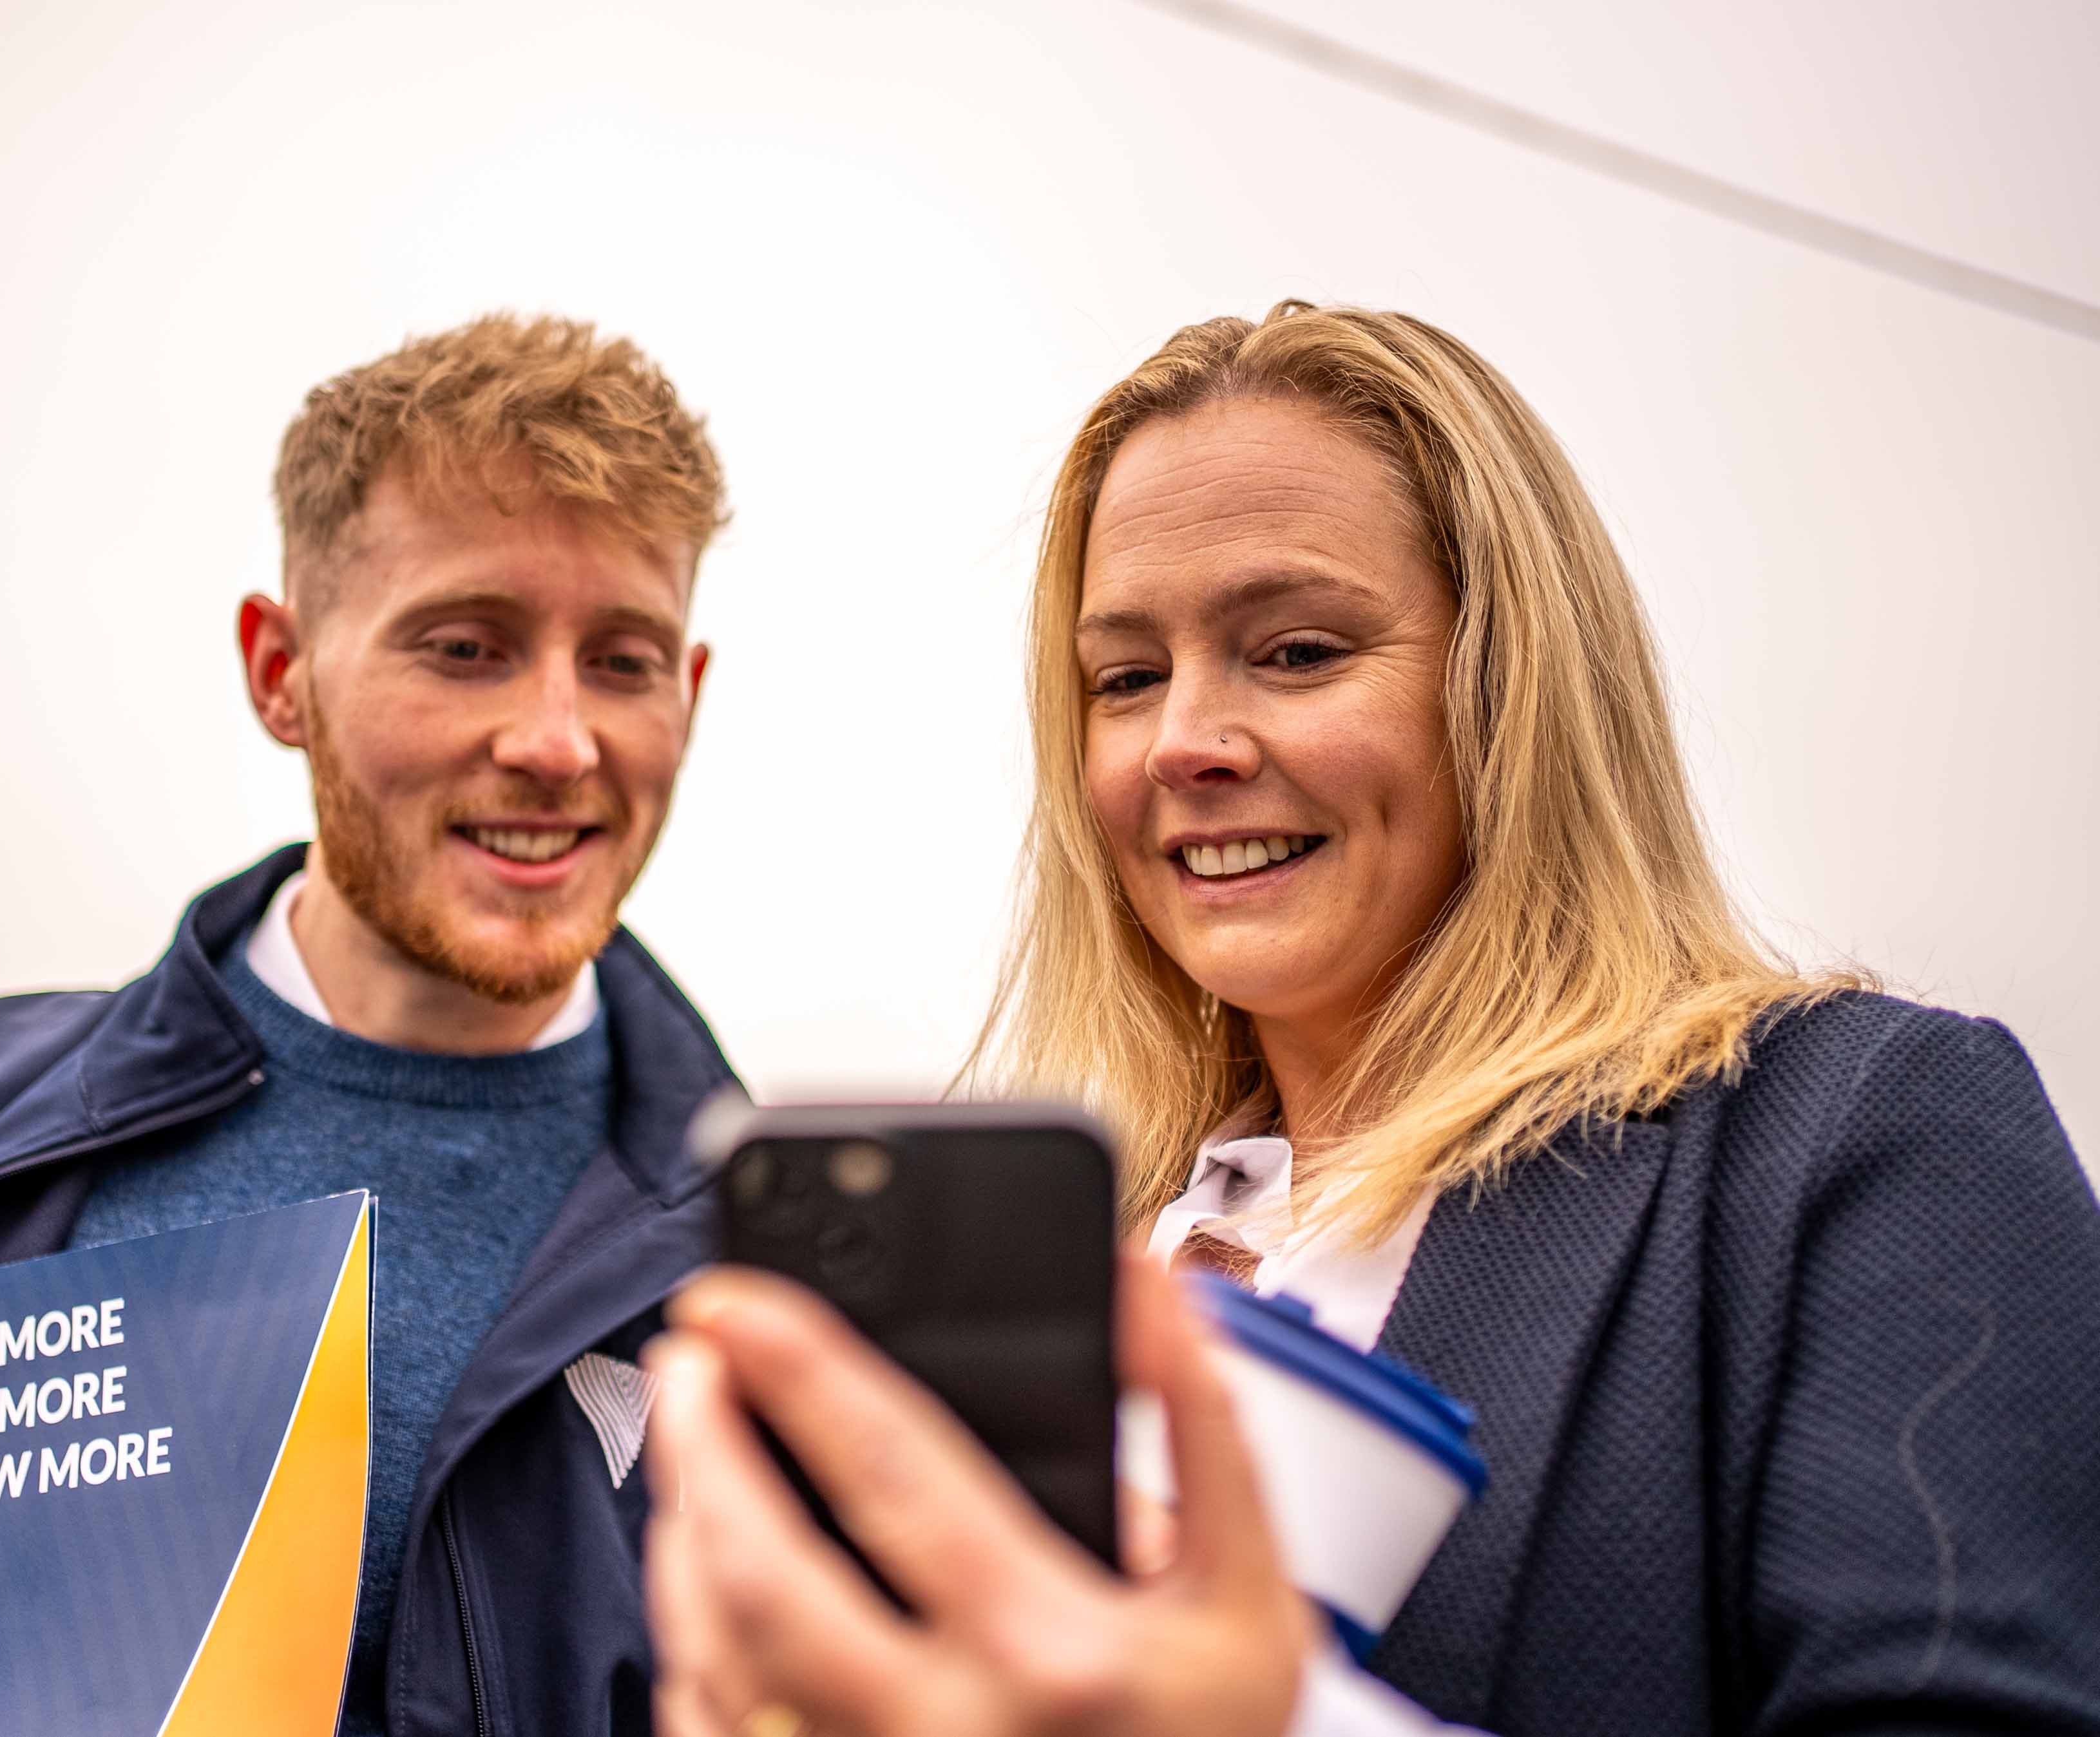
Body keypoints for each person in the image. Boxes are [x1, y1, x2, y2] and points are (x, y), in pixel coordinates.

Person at [644, 303, 2100, 1735]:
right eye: (1126, 677)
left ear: (1509, 686)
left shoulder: (1863, 1137)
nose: (1186, 744)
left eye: (1296, 651)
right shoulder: (1085, 1258)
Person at [0, 312, 736, 1736]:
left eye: (622, 659)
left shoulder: (791, 1277)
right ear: (280, 669)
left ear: (691, 692)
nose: (556, 739)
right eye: (467, 646)